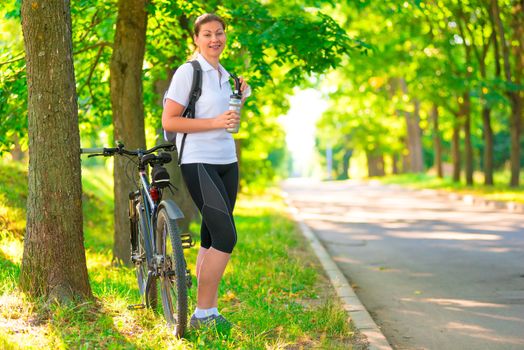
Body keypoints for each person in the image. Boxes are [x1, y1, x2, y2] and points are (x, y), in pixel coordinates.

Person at [161, 13, 250, 329]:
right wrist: (215, 122)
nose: (215, 39)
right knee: (227, 234)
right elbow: (169, 122)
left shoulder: (228, 76)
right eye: (208, 34)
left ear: (226, 37)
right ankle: (203, 313)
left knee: (211, 235)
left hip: (227, 161)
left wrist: (240, 97)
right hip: (197, 160)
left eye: (220, 33)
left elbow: (229, 121)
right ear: (196, 39)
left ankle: (205, 311)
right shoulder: (188, 72)